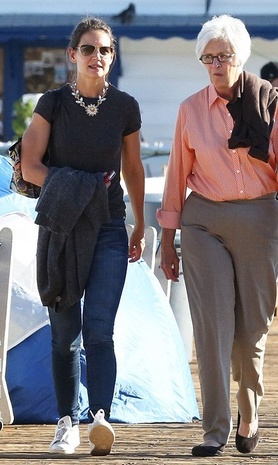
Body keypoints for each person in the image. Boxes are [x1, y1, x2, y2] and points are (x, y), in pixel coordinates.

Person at [21, 16, 145, 456]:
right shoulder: (51, 103)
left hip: (111, 226)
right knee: (64, 332)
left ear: (113, 57)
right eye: (89, 49)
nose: (98, 56)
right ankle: (65, 423)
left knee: (99, 330)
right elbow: (29, 164)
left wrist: (141, 222)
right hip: (64, 226)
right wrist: (77, 186)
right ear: (73, 55)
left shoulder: (125, 106)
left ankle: (99, 419)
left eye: (106, 50)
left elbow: (133, 167)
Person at [157, 14, 278, 457]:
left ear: (239, 57)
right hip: (203, 220)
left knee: (250, 333)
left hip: (260, 219)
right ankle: (214, 430)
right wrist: (168, 237)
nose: (216, 64)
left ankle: (249, 412)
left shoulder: (270, 103)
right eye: (208, 57)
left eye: (223, 56)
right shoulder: (190, 110)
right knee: (213, 328)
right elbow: (177, 175)